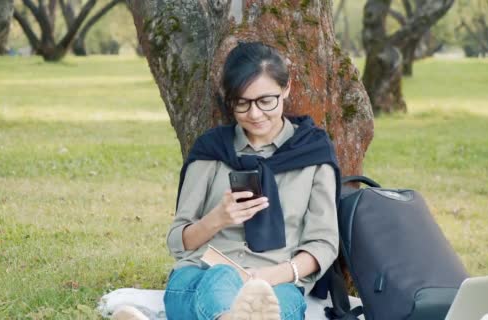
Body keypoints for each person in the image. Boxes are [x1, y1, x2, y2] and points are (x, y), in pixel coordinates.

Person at [115, 42, 340, 320]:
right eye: (242, 104)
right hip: (199, 277)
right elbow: (177, 240)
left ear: (286, 89)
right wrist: (218, 218)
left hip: (275, 284)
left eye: (265, 101)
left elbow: (324, 242)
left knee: (267, 304)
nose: (255, 114)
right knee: (222, 276)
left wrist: (271, 276)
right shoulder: (211, 151)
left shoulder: (313, 153)